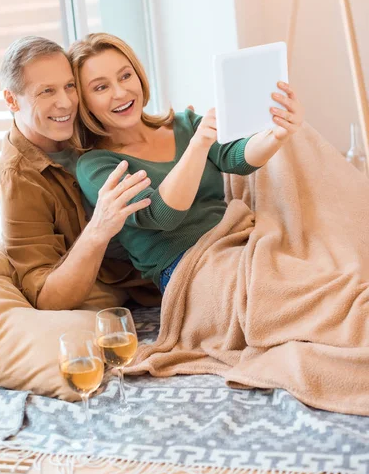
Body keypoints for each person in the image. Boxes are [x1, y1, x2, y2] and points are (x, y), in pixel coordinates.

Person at [69, 33, 304, 294]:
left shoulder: (185, 123)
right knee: (276, 291)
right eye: (101, 87)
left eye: (125, 76)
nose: (121, 92)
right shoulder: (96, 165)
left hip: (235, 242)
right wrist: (197, 147)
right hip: (184, 269)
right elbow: (161, 215)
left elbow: (237, 158)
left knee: (312, 279)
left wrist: (275, 135)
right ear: (84, 101)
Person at [0, 35, 160, 310]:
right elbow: (46, 296)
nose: (66, 103)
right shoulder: (20, 179)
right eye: (46, 91)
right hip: (145, 279)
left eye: (69, 86)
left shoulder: (87, 119)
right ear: (11, 100)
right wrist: (99, 228)